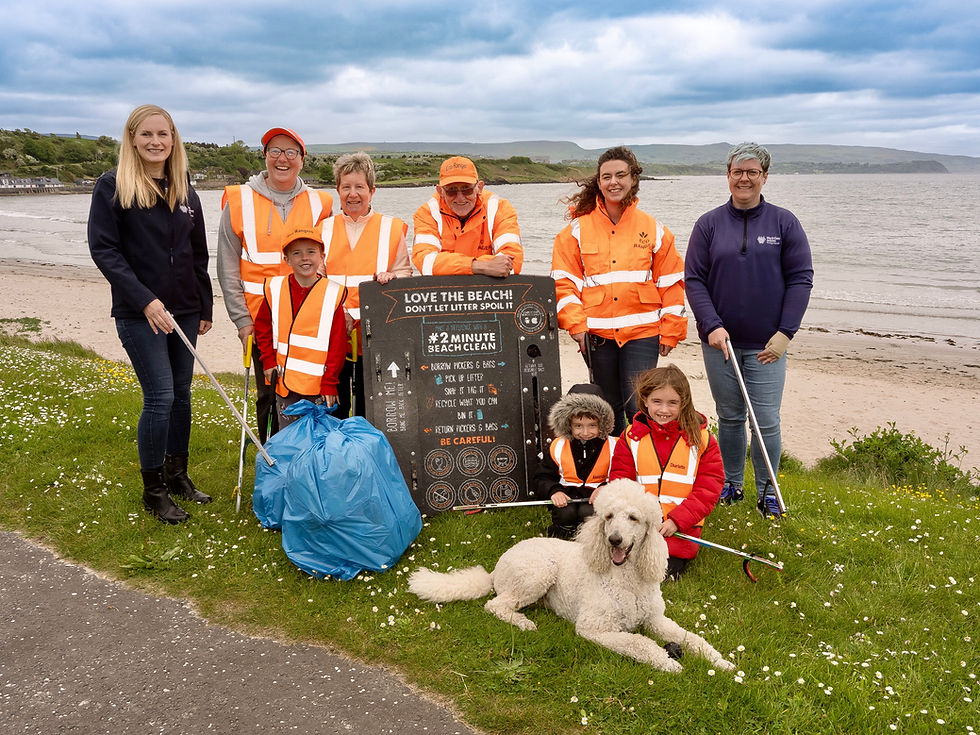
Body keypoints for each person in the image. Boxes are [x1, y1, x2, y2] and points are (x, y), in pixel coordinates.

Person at [88, 104, 213, 524]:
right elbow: (105, 250)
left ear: (174, 140)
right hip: (140, 312)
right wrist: (145, 300)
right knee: (159, 397)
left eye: (164, 134)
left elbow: (198, 255)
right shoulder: (112, 187)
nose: (156, 142)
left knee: (182, 396)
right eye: (147, 135)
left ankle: (179, 475)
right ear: (132, 139)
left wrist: (205, 306)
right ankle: (153, 489)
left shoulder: (185, 190)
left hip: (185, 308)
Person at [684, 142, 813, 518]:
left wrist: (786, 332)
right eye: (737, 172)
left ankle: (768, 489)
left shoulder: (783, 222)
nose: (744, 178)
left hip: (767, 345)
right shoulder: (708, 224)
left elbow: (801, 279)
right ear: (727, 176)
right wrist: (711, 325)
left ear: (764, 177)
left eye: (752, 172)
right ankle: (731, 482)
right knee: (730, 418)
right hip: (719, 343)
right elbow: (694, 279)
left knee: (766, 420)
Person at [552, 146, 687, 435]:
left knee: (639, 407)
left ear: (633, 179)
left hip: (643, 334)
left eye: (621, 175)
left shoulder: (654, 228)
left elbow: (672, 281)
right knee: (607, 408)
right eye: (607, 176)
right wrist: (575, 324)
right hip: (596, 336)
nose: (614, 182)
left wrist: (672, 328)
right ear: (598, 182)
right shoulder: (576, 230)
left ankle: (646, 471)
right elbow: (564, 282)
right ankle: (613, 472)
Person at [217, 126, 334, 441]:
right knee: (268, 394)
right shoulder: (238, 200)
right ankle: (272, 461)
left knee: (311, 392)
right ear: (265, 156)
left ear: (301, 159)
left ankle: (311, 458)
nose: (283, 159)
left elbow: (328, 261)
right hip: (261, 321)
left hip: (310, 321)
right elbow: (227, 266)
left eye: (291, 152)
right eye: (275, 151)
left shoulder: (321, 203)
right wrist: (241, 321)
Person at [607, 365, 723, 580]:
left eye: (673, 403)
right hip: (637, 525)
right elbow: (620, 481)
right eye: (657, 402)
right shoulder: (630, 436)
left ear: (684, 403)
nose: (664, 410)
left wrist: (676, 521)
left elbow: (708, 489)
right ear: (645, 400)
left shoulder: (703, 440)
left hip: (679, 529)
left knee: (663, 572)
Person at [321, 152, 412, 418]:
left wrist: (392, 278)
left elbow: (405, 273)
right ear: (337, 190)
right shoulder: (322, 229)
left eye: (359, 187)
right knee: (334, 407)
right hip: (334, 335)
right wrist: (341, 315)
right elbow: (318, 280)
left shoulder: (392, 228)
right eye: (346, 187)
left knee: (370, 408)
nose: (353, 194)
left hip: (376, 335)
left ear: (372, 191)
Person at [253, 226, 347, 430]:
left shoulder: (332, 294)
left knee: (318, 439)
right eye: (297, 253)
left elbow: (338, 344)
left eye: (311, 252)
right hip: (284, 384)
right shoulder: (275, 289)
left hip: (318, 387)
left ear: (322, 256)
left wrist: (330, 382)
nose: (305, 258)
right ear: (286, 259)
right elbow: (262, 328)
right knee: (289, 438)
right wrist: (268, 361)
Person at [412, 156, 523, 277]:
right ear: (440, 191)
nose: (460, 198)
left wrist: (447, 266)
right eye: (451, 190)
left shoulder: (500, 208)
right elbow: (425, 263)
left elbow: (512, 262)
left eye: (466, 189)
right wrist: (478, 266)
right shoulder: (427, 213)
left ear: (479, 188)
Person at [533, 384, 617, 539]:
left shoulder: (615, 446)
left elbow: (622, 476)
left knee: (588, 512)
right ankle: (563, 533)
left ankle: (593, 538)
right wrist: (554, 491)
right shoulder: (557, 446)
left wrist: (607, 488)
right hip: (566, 499)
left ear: (603, 423)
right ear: (567, 424)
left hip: (597, 500)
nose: (585, 433)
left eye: (592, 426)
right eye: (578, 426)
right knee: (567, 512)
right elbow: (542, 477)